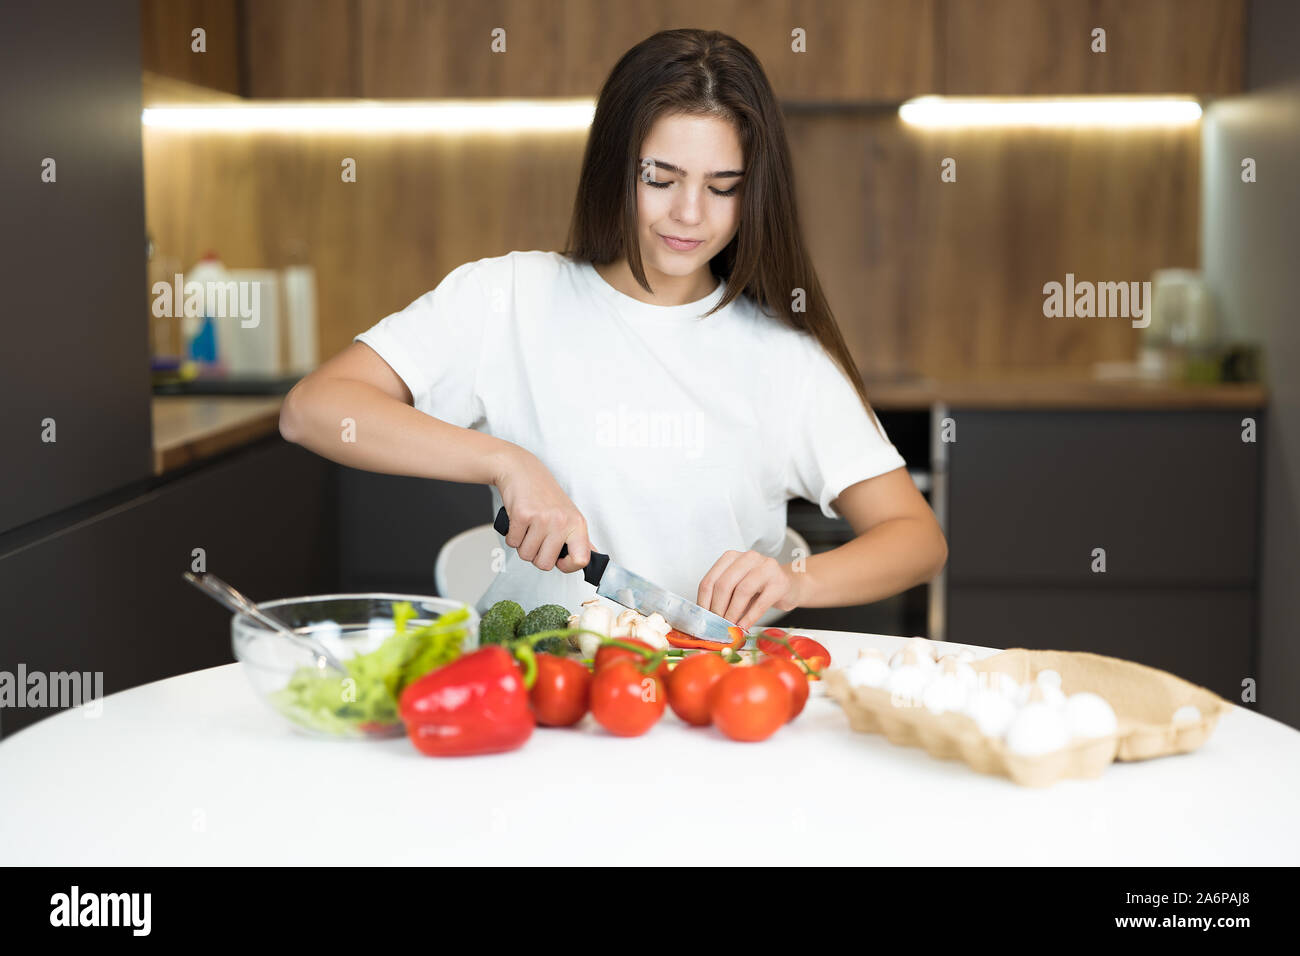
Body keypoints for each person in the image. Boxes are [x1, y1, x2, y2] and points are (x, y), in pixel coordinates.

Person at [279, 28, 947, 631]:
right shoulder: (508, 296)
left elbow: (916, 538)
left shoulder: (784, 358)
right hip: (544, 699)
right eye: (660, 178)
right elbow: (314, 410)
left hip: (714, 702)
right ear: (613, 168)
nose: (690, 213)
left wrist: (796, 579)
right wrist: (507, 463)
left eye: (722, 187)